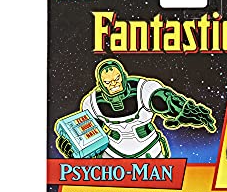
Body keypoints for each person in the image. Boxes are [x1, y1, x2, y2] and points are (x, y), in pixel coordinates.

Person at [56, 59, 216, 159]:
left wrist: (184, 111)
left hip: (150, 151)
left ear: (123, 76)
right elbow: (88, 134)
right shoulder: (91, 102)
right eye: (108, 82)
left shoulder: (142, 88)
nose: (114, 84)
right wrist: (76, 149)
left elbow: (164, 99)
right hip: (113, 155)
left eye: (117, 79)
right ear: (101, 84)